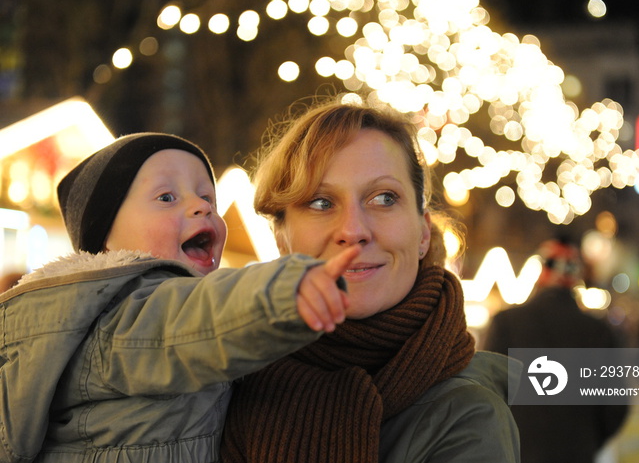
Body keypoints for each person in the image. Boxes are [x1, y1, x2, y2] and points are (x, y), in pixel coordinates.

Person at [0, 133, 360, 462]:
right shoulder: (123, 315)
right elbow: (200, 317)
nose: (201, 207)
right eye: (166, 197)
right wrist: (282, 291)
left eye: (206, 197)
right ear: (106, 239)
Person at [220, 99, 521, 462]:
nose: (353, 230)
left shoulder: (469, 414)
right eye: (320, 202)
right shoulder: (222, 385)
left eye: (383, 198)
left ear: (423, 232)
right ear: (281, 239)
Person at [483, 237, 629, 463]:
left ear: (542, 271)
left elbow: (487, 395)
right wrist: (588, 439)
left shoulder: (507, 324)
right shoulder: (598, 332)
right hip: (577, 453)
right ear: (576, 276)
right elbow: (615, 406)